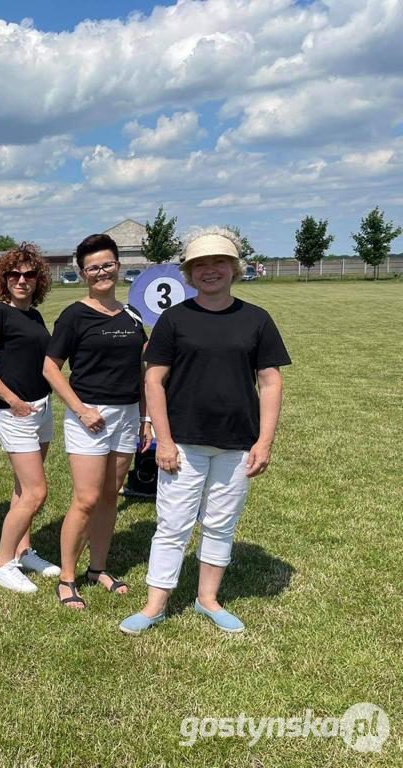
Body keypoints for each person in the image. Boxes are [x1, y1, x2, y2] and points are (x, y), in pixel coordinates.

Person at [120, 227, 290, 635]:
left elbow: (270, 382)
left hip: (236, 444)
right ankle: (154, 605)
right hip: (183, 443)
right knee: (173, 524)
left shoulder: (257, 319)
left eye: (218, 263)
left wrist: (264, 441)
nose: (210, 271)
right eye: (200, 265)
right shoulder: (174, 319)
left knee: (219, 523)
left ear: (234, 269)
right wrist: (163, 439)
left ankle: (206, 599)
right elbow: (153, 381)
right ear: (189, 274)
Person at [43, 234, 150, 609]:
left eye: (107, 264)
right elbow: (50, 369)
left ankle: (98, 568)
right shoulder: (74, 316)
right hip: (89, 417)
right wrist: (81, 409)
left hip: (127, 416)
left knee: (109, 496)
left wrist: (145, 417)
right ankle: (67, 577)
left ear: (118, 266)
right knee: (86, 498)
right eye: (93, 267)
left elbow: (142, 370)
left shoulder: (133, 315)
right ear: (82, 272)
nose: (101, 272)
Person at [0, 243, 60, 592]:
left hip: (42, 408)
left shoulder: (35, 316)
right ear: (3, 278)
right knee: (37, 492)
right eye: (14, 274)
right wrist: (13, 400)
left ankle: (23, 551)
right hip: (16, 413)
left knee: (23, 488)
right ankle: (1, 563)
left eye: (29, 275)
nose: (22, 280)